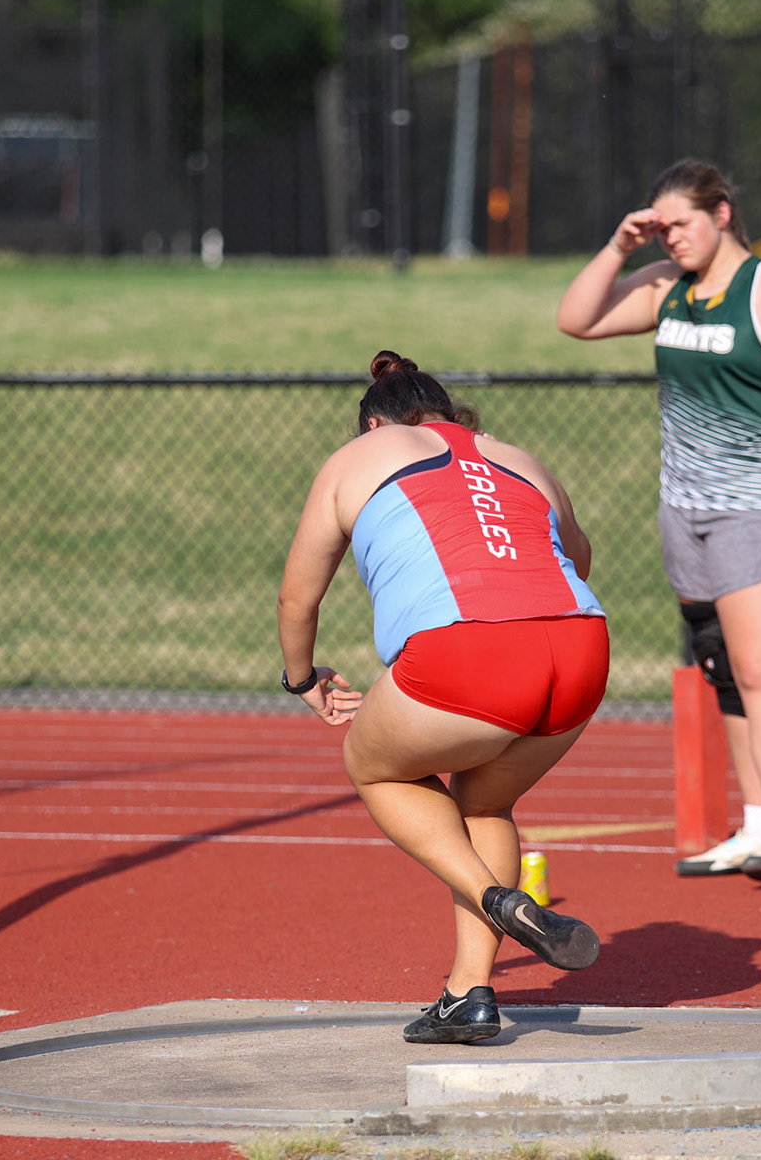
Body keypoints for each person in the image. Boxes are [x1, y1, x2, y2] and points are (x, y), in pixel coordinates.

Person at [277, 350, 612, 1042]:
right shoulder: (517, 456)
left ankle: (500, 899)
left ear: (375, 422)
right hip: (581, 648)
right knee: (485, 802)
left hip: (470, 650)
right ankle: (470, 993)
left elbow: (297, 593)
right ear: (450, 415)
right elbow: (577, 556)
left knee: (372, 766)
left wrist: (303, 677)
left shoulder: (357, 456)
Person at [554, 159, 761, 885]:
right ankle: (756, 826)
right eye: (659, 228)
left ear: (721, 214)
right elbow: (576, 319)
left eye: (680, 224)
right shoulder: (666, 289)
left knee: (759, 666)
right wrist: (622, 246)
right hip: (686, 510)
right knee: (720, 670)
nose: (670, 239)